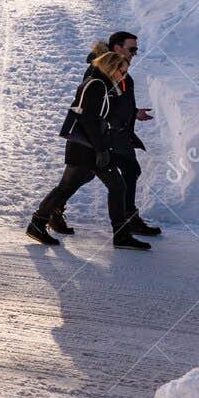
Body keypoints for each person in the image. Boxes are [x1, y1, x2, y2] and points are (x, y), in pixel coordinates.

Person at [28, 43, 152, 250]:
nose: (124, 76)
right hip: (86, 148)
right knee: (113, 186)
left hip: (89, 146)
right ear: (112, 68)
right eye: (122, 71)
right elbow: (89, 120)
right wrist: (102, 149)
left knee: (72, 187)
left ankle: (37, 224)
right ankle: (120, 236)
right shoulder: (96, 85)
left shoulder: (104, 85)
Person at [95, 31, 161, 237]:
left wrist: (133, 113)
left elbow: (118, 102)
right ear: (117, 48)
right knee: (79, 176)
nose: (134, 53)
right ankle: (46, 215)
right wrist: (113, 126)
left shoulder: (121, 71)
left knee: (130, 172)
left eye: (136, 50)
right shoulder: (101, 71)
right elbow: (98, 106)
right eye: (131, 49)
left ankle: (128, 220)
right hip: (107, 137)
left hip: (121, 135)